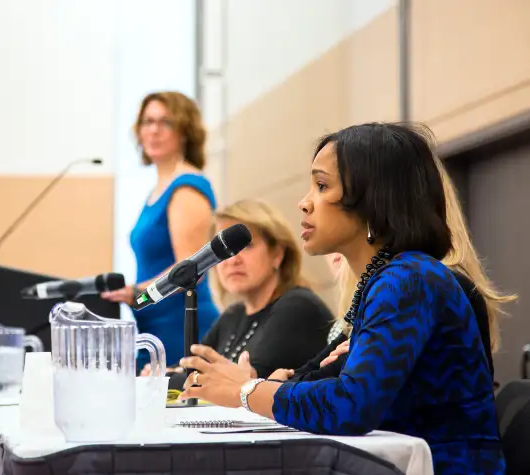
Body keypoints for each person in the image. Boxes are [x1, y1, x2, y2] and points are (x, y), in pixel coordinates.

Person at [178, 123, 505, 475]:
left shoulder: (408, 280)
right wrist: (265, 387)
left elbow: (350, 405)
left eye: (321, 186)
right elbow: (315, 383)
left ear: (372, 198)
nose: (304, 203)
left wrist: (245, 390)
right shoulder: (389, 278)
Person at [283, 156, 516, 384]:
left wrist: (253, 391)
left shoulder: (419, 285)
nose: (305, 203)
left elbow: (345, 396)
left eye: (323, 187)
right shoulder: (377, 289)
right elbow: (317, 375)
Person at [158, 199, 332, 388]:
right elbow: (184, 369)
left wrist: (164, 378)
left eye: (246, 246)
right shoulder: (233, 315)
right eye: (222, 252)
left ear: (277, 254)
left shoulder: (298, 307)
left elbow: (239, 385)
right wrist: (167, 376)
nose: (232, 260)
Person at [101, 91, 219, 370]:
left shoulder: (187, 186)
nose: (153, 130)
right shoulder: (158, 189)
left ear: (184, 131)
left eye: (165, 122)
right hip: (152, 322)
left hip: (181, 325)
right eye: (147, 121)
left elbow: (191, 269)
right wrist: (138, 297)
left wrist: (138, 293)